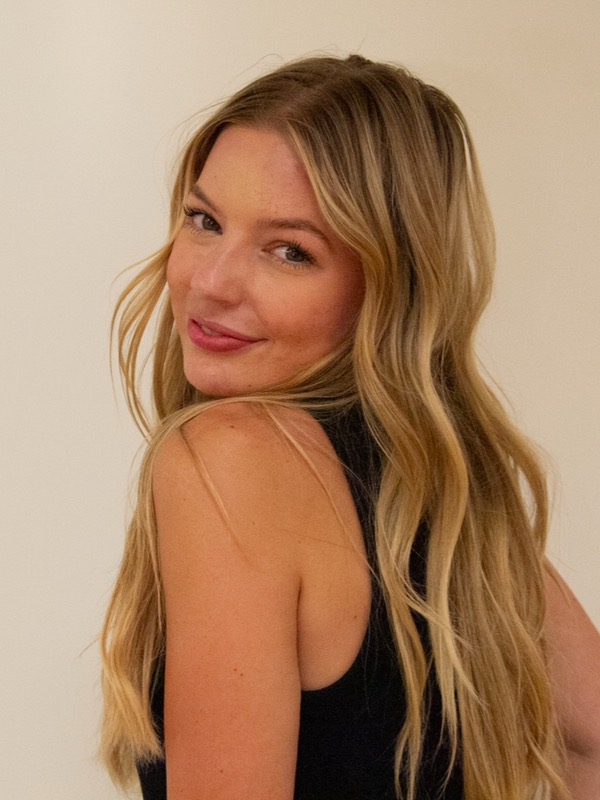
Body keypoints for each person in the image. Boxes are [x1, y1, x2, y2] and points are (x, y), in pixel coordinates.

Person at [100, 54, 600, 800]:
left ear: (387, 287)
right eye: (205, 221)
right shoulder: (450, 491)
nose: (210, 281)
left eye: (290, 251)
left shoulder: (232, 458)